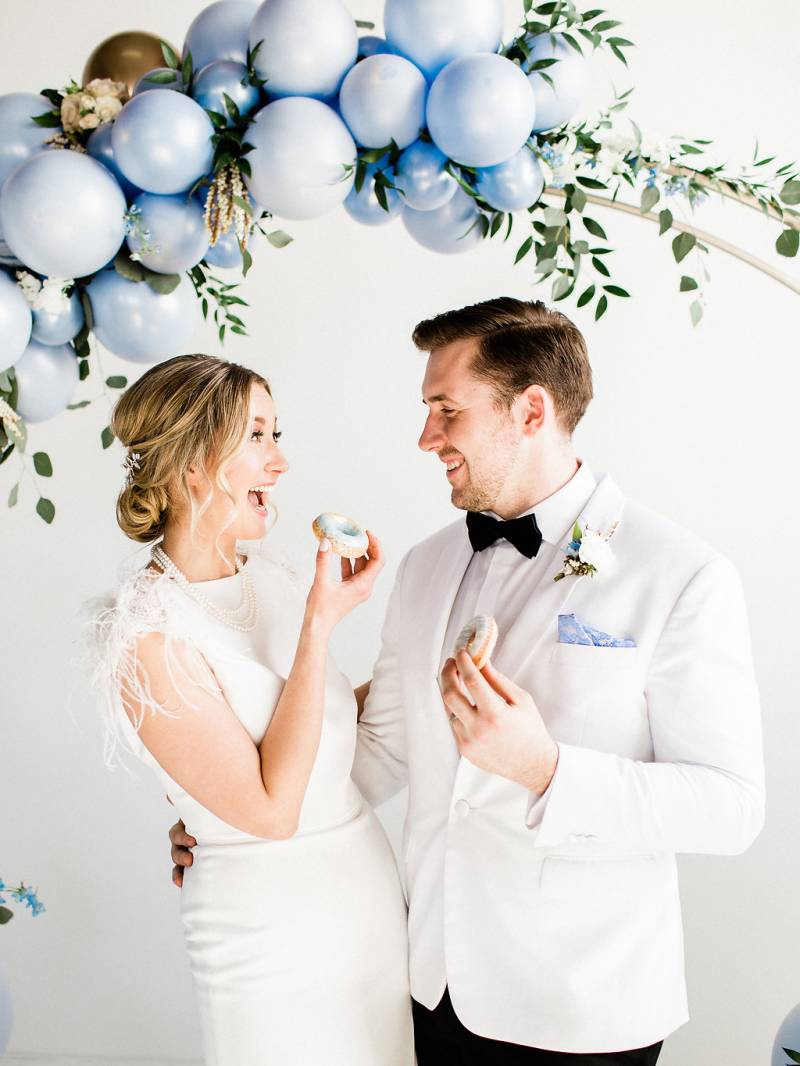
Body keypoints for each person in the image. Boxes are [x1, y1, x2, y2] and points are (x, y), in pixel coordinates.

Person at [171, 299, 765, 1064]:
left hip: (580, 1006)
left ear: (532, 410)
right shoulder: (423, 565)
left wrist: (545, 770)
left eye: (446, 411)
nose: (426, 438)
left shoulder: (680, 575)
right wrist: (233, 810)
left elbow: (730, 808)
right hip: (427, 984)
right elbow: (378, 750)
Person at [90, 354, 414, 1066]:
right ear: (195, 464)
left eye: (276, 433)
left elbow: (323, 735)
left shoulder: (274, 578)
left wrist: (424, 667)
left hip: (365, 906)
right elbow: (271, 810)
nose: (282, 461)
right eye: (259, 437)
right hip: (268, 937)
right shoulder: (147, 634)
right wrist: (321, 627)